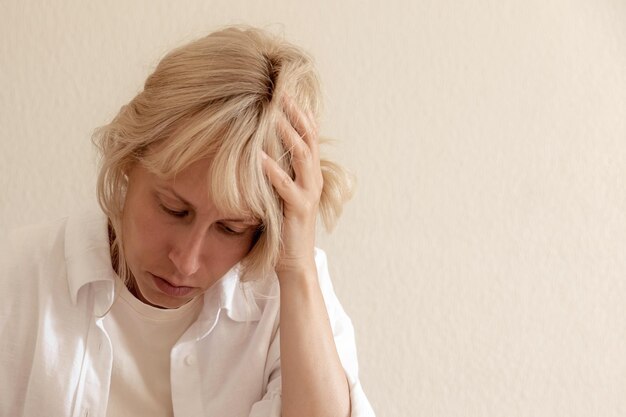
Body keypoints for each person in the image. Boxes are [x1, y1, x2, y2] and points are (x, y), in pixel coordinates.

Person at [0, 26, 374, 417]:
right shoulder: (20, 275)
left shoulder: (286, 296)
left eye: (230, 229)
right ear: (128, 160)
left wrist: (296, 268)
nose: (186, 261)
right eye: (173, 209)